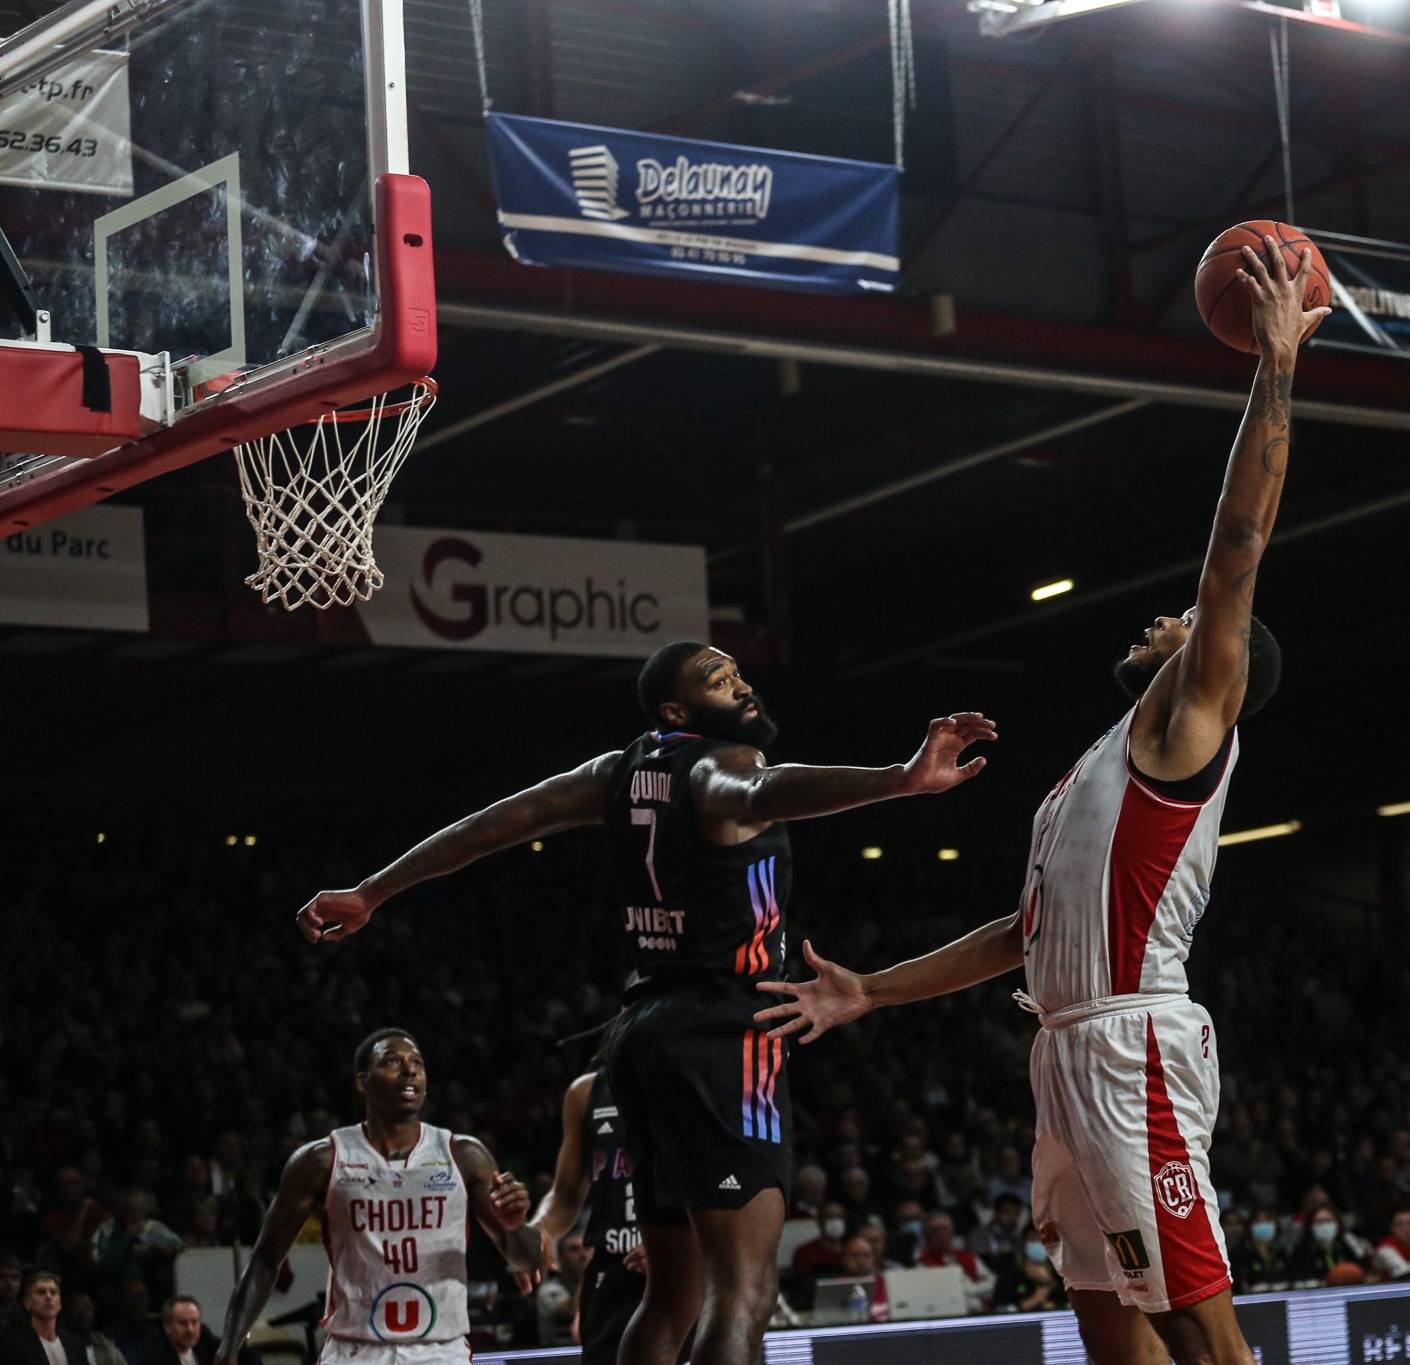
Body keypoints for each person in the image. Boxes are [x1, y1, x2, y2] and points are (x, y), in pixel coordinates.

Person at [755, 234, 1324, 1365]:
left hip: (1132, 1046)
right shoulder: (1104, 760)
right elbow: (1019, 937)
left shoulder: (1189, 717)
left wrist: (1274, 370)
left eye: (1181, 623)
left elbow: (1236, 548)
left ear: (1219, 661)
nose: (1160, 620)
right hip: (1065, 1048)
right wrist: (870, 990)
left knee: (1201, 1329)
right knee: (1104, 1322)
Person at [296, 652, 994, 1365]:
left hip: (641, 1034)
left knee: (669, 1298)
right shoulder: (721, 766)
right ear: (675, 712)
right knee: (742, 1297)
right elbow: (762, 790)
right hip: (726, 1032)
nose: (744, 685)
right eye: (721, 682)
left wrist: (374, 891)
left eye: (738, 674)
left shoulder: (614, 772)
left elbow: (494, 824)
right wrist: (900, 778)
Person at [213, 1030, 544, 1365]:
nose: (409, 1070)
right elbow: (266, 1259)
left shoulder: (464, 1154)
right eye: (392, 1062)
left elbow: (528, 1261)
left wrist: (515, 1226)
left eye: (417, 1063)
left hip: (439, 1350)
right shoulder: (320, 1161)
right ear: (362, 1081)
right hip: (353, 1350)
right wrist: (229, 1346)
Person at [525, 1052, 658, 1365]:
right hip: (611, 1271)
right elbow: (565, 1195)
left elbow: (727, 1182)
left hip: (681, 1267)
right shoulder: (586, 1092)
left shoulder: (698, 1078)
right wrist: (540, 1229)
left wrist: (676, 1241)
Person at [1, 1272, 88, 1365]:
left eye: (53, 1292)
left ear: (60, 1303)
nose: (48, 1297)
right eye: (41, 1292)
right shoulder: (14, 1347)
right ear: (27, 1302)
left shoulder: (75, 1343)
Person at [139, 1297, 253, 1365]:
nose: (190, 1329)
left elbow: (247, 1354)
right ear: (167, 1326)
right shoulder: (155, 1358)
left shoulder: (205, 1342)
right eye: (183, 1323)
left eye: (194, 1322)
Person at [915, 1212, 994, 1309]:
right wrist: (977, 1289)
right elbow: (945, 1296)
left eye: (944, 1228)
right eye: (934, 1230)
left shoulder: (969, 1256)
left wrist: (968, 1290)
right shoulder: (922, 1265)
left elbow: (992, 1284)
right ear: (925, 1236)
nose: (941, 1234)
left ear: (952, 1231)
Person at [1286, 1208, 1353, 1284]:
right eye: (1319, 1222)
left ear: (1337, 1224)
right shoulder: (1302, 1253)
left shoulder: (1347, 1247)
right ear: (1311, 1227)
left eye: (1328, 1221)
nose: (1324, 1225)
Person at [1231, 1212, 1287, 1291]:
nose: (1263, 1224)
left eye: (1267, 1220)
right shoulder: (1239, 1254)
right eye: (1258, 1221)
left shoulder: (1280, 1252)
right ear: (1250, 1226)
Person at [57, 1297, 117, 1365]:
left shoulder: (104, 1346)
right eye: (77, 1308)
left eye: (87, 1307)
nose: (83, 1313)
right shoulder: (59, 1349)